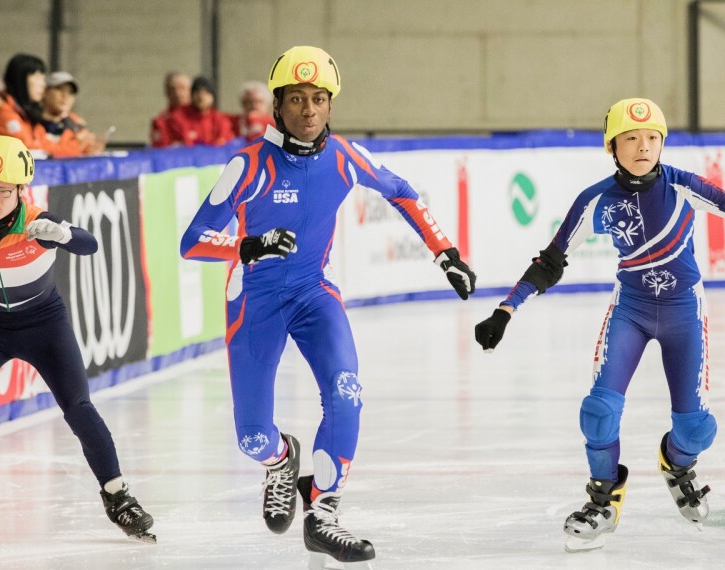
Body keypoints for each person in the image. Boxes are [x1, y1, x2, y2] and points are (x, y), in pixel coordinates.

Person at [180, 46, 476, 567]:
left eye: (319, 99)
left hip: (314, 292)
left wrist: (444, 252)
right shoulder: (247, 165)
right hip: (255, 299)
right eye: (297, 99)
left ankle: (323, 512)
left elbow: (402, 192)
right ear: (277, 105)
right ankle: (280, 460)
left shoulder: (344, 156)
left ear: (331, 105)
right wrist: (247, 247)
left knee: (346, 390)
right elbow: (192, 240)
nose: (309, 110)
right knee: (251, 438)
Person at [474, 98, 719, 552]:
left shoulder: (685, 187)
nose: (643, 147)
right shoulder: (597, 199)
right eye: (631, 138)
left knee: (697, 431)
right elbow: (550, 261)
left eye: (652, 138)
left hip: (685, 310)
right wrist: (506, 310)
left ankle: (677, 465)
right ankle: (603, 499)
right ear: (612, 147)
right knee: (599, 411)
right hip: (632, 308)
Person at [0, 136, 155, 543]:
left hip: (44, 326)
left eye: (0, 190)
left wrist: (64, 234)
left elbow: (90, 243)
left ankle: (119, 497)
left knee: (79, 408)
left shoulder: (38, 224)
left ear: (20, 190)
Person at [0, 54, 86, 158]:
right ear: (21, 80)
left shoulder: (26, 114)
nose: (43, 85)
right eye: (37, 78)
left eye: (43, 79)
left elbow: (43, 143)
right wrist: (76, 148)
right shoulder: (3, 113)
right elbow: (27, 150)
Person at [41, 71, 106, 156]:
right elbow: (37, 150)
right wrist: (76, 147)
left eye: (70, 92)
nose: (65, 96)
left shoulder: (75, 123)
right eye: (59, 89)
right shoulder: (31, 121)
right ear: (45, 91)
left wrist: (93, 149)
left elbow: (86, 151)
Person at [165, 75, 235, 146]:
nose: (201, 97)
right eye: (198, 93)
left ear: (212, 97)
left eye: (205, 93)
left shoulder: (221, 120)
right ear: (192, 95)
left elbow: (225, 143)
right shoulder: (179, 117)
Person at [150, 72, 192, 148]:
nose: (178, 93)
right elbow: (161, 147)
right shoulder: (160, 121)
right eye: (173, 89)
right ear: (167, 92)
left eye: (182, 88)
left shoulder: (204, 117)